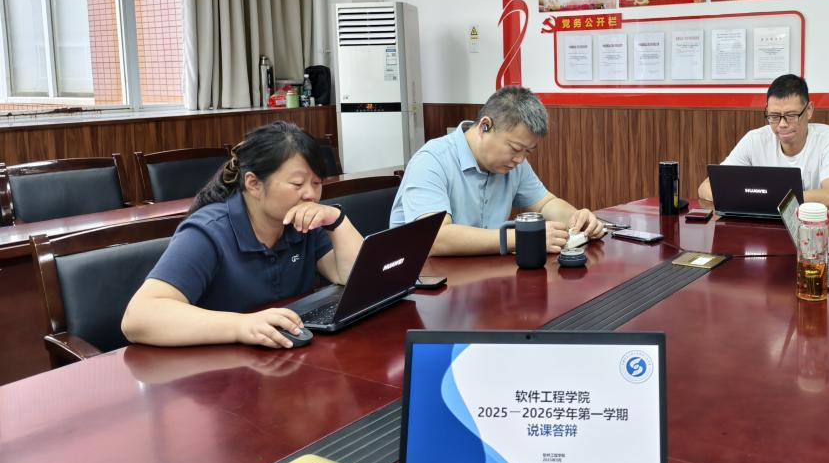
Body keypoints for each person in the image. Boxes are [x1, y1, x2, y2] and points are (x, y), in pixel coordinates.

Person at [121, 122, 364, 349]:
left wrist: (337, 219)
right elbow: (138, 317)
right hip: (216, 364)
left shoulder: (302, 222)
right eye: (298, 184)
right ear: (254, 184)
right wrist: (240, 325)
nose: (310, 194)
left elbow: (352, 278)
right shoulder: (208, 232)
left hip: (281, 355)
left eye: (317, 183)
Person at [389, 85, 604, 256]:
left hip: (479, 276)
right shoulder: (431, 161)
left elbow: (546, 203)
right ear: (485, 126)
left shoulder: (514, 163)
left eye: (528, 152)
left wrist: (577, 220)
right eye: (515, 148)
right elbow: (435, 238)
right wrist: (522, 238)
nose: (520, 159)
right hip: (424, 285)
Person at [697, 74, 829, 208]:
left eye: (791, 115)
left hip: (811, 226)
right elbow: (705, 188)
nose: (782, 124)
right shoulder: (755, 140)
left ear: (809, 110)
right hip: (762, 226)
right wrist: (762, 199)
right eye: (774, 116)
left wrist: (769, 198)